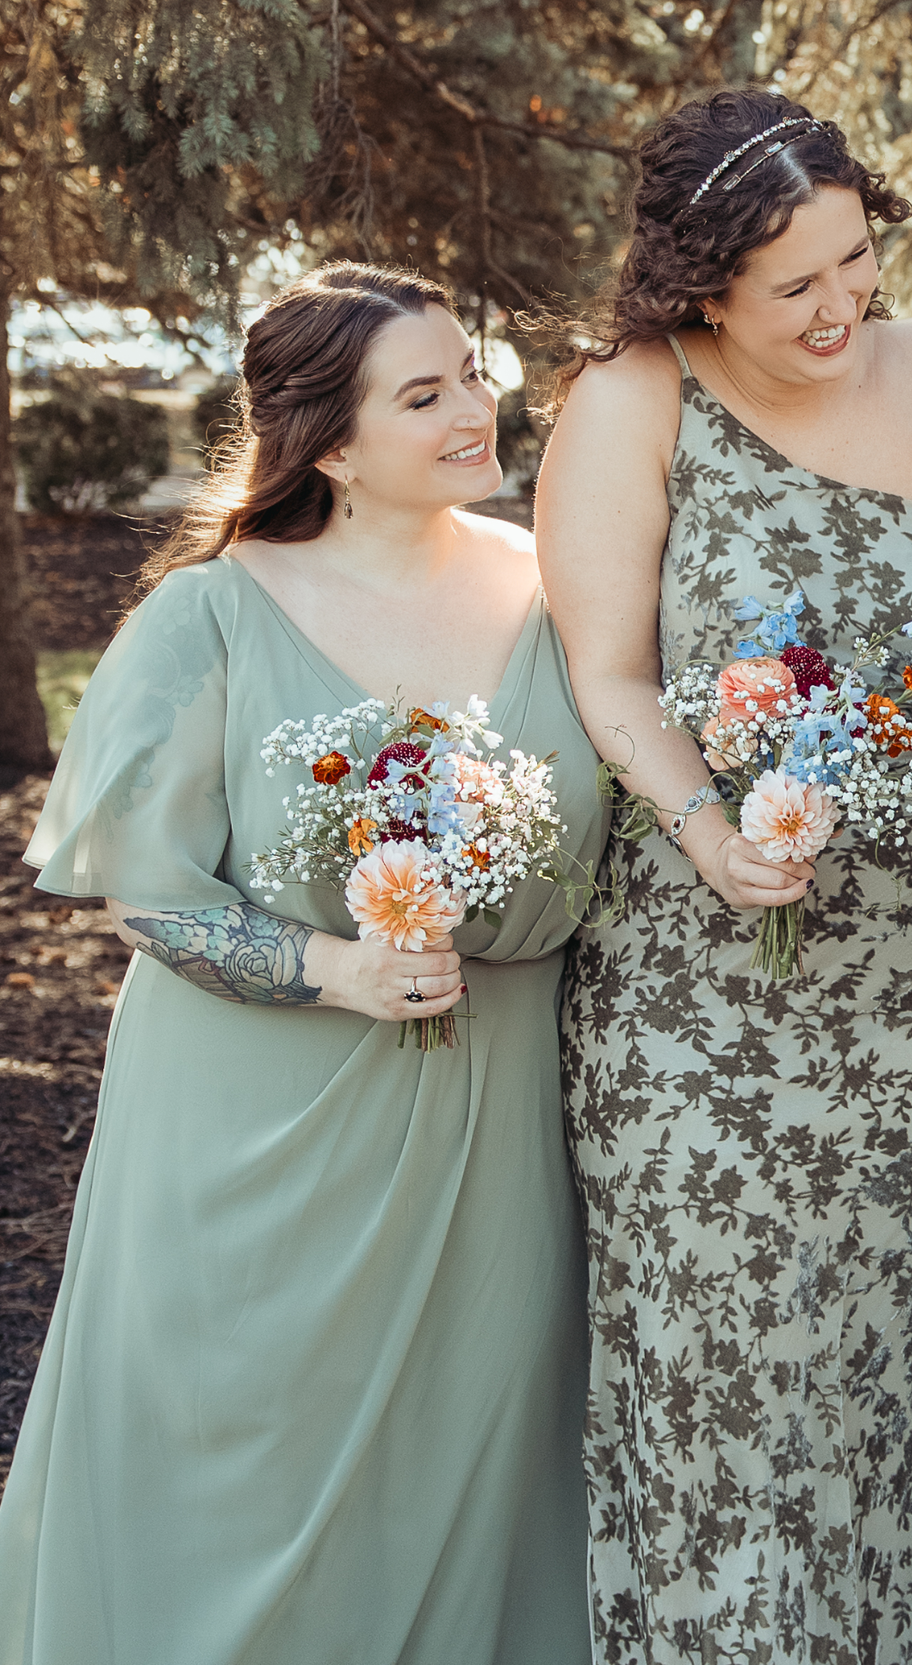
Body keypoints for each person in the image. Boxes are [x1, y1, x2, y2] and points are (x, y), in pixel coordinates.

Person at [0, 264, 600, 1663]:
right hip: (255, 1126)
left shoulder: (559, 590)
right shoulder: (207, 616)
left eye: (473, 370)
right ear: (329, 445)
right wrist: (335, 968)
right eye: (426, 391)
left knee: (466, 1464)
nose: (476, 406)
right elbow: (147, 897)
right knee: (245, 1469)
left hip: (490, 1119)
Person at [537, 89, 912, 1663]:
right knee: (717, 1388)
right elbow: (614, 679)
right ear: (700, 288)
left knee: (902, 1379)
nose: (840, 308)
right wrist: (712, 839)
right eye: (793, 284)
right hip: (699, 1000)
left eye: (858, 259)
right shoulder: (630, 396)